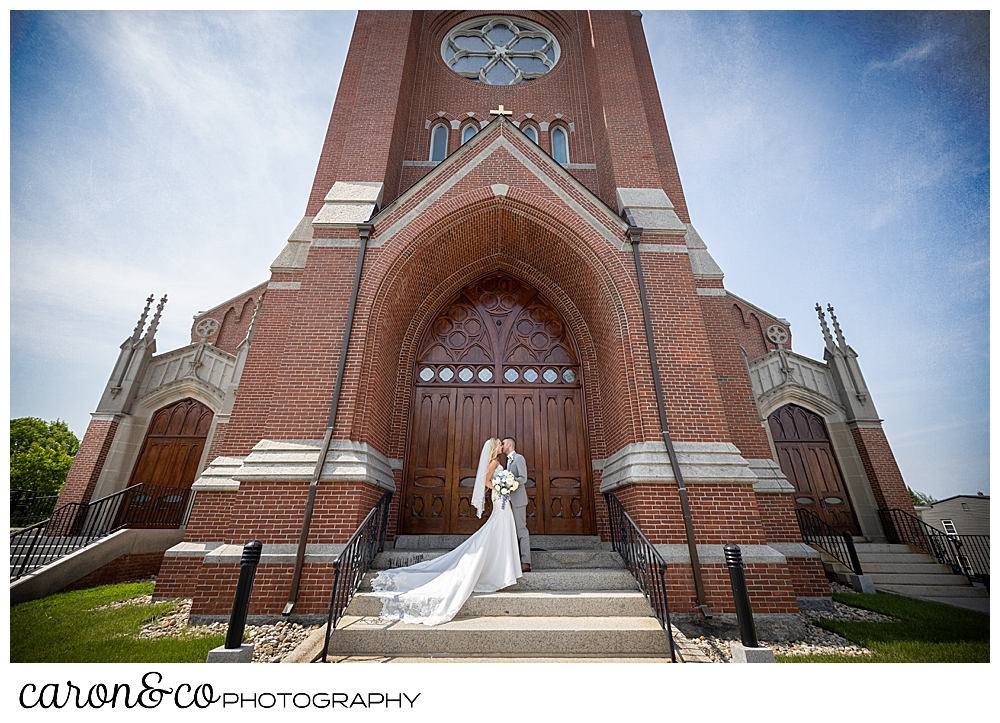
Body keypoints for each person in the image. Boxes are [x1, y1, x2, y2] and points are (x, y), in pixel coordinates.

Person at [369, 437, 522, 625]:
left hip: (502, 500)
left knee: (501, 530)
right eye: (499, 444)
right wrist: (500, 487)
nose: (501, 446)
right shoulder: (493, 462)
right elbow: (486, 482)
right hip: (500, 499)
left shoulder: (499, 461)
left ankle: (503, 569)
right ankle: (499, 570)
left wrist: (503, 487)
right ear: (494, 448)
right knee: (497, 530)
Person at [502, 436, 531, 572]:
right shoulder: (506, 461)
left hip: (518, 499)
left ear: (510, 445)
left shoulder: (519, 458)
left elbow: (523, 478)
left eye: (503, 443)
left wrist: (510, 483)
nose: (501, 446)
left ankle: (526, 562)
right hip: (508, 500)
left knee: (521, 530)